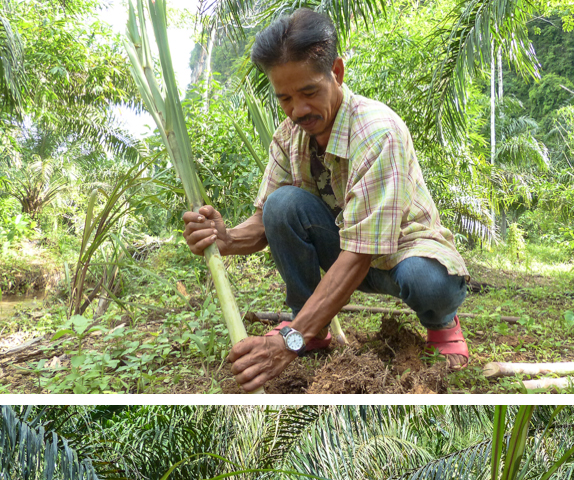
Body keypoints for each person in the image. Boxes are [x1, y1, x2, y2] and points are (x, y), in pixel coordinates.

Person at [182, 9, 469, 392]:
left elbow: (361, 253)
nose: (298, 110)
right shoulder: (290, 135)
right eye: (284, 98)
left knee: (426, 280)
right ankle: (310, 326)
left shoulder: (377, 133)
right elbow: (267, 220)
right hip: (347, 253)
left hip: (402, 255)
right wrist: (226, 238)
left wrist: (288, 341)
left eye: (309, 93)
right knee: (281, 205)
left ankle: (441, 322)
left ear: (336, 72)